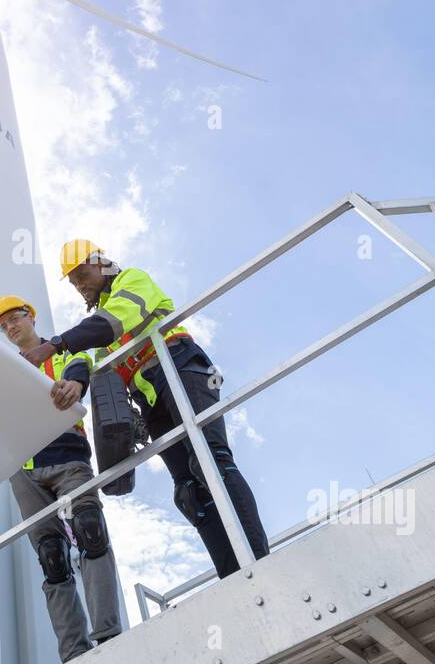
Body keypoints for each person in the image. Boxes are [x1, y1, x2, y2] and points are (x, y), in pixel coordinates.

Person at [21, 240, 269, 580]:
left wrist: (55, 344)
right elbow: (94, 365)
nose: (80, 284)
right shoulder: (94, 330)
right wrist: (77, 385)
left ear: (102, 262)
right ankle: (235, 576)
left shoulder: (131, 281)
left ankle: (260, 563)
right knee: (189, 490)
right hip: (150, 398)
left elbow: (116, 320)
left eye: (83, 274)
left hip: (181, 369)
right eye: (74, 281)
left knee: (211, 461)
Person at [0, 295, 122, 663]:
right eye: (3, 325)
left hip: (69, 456)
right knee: (51, 556)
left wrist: (74, 387)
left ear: (30, 317)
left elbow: (80, 370)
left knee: (90, 529)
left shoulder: (65, 349)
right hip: (26, 469)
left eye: (15, 318)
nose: (11, 327)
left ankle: (109, 635)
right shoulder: (4, 372)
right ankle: (75, 653)